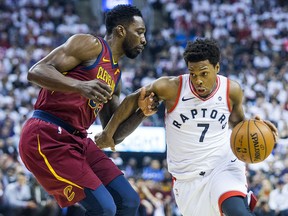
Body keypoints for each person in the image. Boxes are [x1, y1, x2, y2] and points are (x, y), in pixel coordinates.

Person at [95, 38, 278, 216]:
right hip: (186, 179)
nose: (198, 80)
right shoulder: (171, 87)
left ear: (217, 68)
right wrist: (108, 132)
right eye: (193, 73)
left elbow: (239, 125)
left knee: (237, 210)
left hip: (222, 166)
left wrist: (258, 128)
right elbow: (131, 99)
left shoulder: (231, 90)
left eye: (204, 73)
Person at [18, 4, 158, 216]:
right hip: (46, 135)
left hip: (78, 141)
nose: (144, 40)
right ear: (121, 30)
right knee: (104, 208)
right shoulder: (90, 45)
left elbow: (112, 136)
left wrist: (141, 113)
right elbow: (36, 71)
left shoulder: (115, 76)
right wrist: (79, 85)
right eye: (139, 32)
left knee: (129, 200)